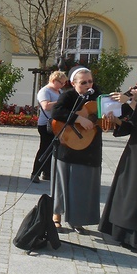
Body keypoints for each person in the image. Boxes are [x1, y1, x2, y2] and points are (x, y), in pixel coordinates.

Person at [99, 61, 137, 257]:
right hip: (135, 150)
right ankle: (125, 235)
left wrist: (129, 101)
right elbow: (134, 124)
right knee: (128, 191)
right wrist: (117, 121)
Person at [50, 67, 101, 233]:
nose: (88, 85)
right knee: (62, 183)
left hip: (89, 148)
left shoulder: (97, 96)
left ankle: (77, 220)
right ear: (73, 83)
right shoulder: (68, 95)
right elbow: (56, 112)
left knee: (82, 186)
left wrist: (107, 121)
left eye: (90, 81)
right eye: (83, 82)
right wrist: (78, 118)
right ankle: (56, 214)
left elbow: (104, 114)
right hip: (68, 146)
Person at [30, 71, 66, 183]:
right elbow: (45, 106)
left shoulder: (59, 91)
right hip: (46, 124)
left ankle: (47, 173)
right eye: (61, 82)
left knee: (53, 149)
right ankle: (35, 173)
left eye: (64, 83)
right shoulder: (44, 91)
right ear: (54, 80)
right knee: (44, 148)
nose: (63, 85)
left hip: (57, 124)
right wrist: (60, 102)